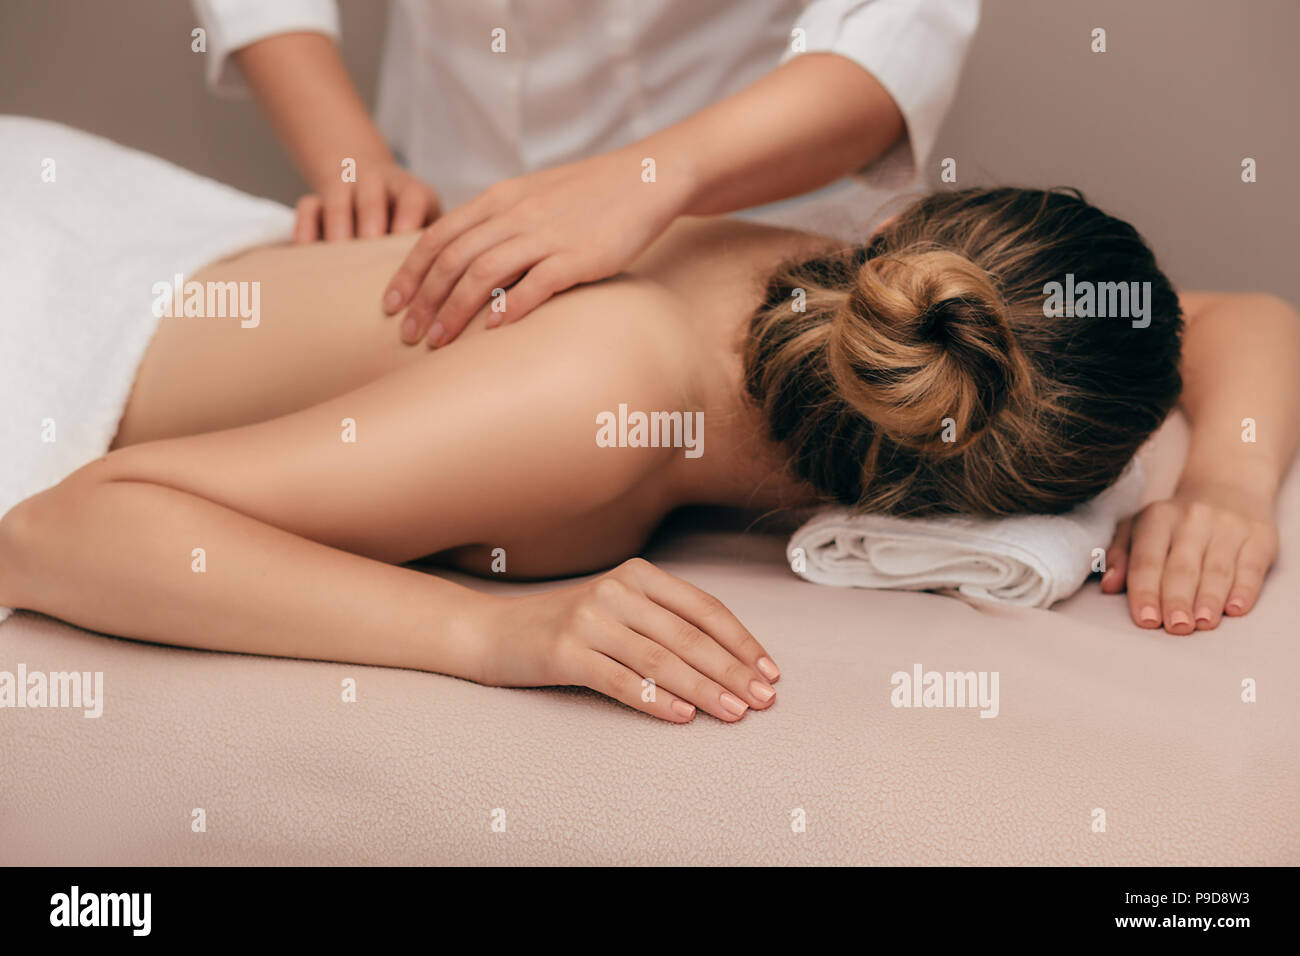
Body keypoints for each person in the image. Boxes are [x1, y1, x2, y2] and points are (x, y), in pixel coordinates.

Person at [2, 186, 1295, 723]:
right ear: (920, 507)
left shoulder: (873, 282)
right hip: (54, 318)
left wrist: (1229, 479)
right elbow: (64, 527)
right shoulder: (599, 396)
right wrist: (495, 637)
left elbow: (1244, 318)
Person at [193, 0, 980, 344]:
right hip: (432, 212)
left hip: (745, 210)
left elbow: (898, 24)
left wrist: (652, 178)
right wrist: (351, 159)